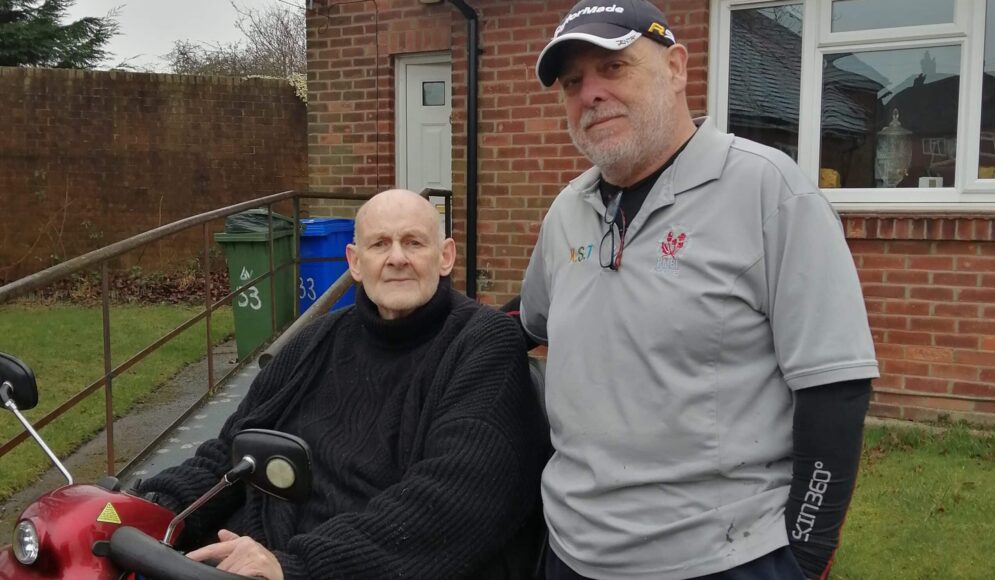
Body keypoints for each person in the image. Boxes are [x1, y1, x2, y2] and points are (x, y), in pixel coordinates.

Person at [513, 1, 881, 579]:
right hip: (571, 552)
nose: (590, 94)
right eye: (573, 82)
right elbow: (524, 325)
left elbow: (834, 388)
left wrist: (806, 559)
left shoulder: (768, 190)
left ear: (677, 68)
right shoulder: (569, 210)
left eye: (613, 68)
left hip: (722, 558)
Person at [139, 189, 549, 580]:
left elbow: (454, 503)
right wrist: (155, 507)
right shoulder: (318, 339)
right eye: (379, 244)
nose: (397, 258)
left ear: (445, 257)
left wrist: (294, 566)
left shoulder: (481, 343)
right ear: (354, 262)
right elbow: (233, 452)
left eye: (414, 243)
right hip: (254, 550)